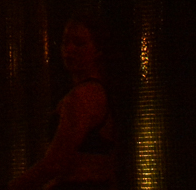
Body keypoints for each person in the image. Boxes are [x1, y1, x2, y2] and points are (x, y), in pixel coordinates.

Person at [9, 17, 117, 189]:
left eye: (79, 43)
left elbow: (56, 162)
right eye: (65, 42)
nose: (69, 49)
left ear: (98, 50)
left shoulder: (85, 95)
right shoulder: (91, 93)